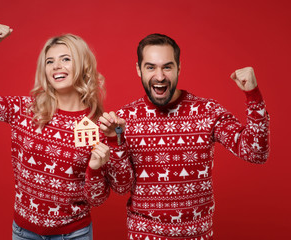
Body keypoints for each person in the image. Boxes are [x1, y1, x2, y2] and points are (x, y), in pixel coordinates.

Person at [0, 23, 116, 240]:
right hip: (23, 233)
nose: (56, 66)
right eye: (50, 61)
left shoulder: (98, 126)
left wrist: (95, 169)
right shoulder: (25, 110)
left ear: (83, 65)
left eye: (66, 59)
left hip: (74, 235)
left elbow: (96, 199)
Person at [99, 33, 270, 240]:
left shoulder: (207, 111)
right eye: (151, 67)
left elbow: (255, 152)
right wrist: (113, 140)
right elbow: (120, 186)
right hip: (145, 234)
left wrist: (253, 95)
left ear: (179, 68)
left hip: (197, 235)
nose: (160, 76)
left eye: (167, 67)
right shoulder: (124, 120)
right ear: (139, 69)